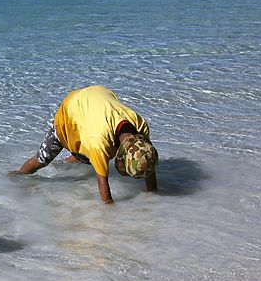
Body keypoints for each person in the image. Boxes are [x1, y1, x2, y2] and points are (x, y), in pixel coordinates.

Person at [12, 85, 158, 204]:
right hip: (71, 110)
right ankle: (15, 175)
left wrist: (153, 197)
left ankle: (63, 164)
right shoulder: (99, 142)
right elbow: (104, 191)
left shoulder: (141, 127)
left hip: (98, 95)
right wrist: (112, 218)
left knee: (90, 157)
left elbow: (146, 159)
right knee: (42, 160)